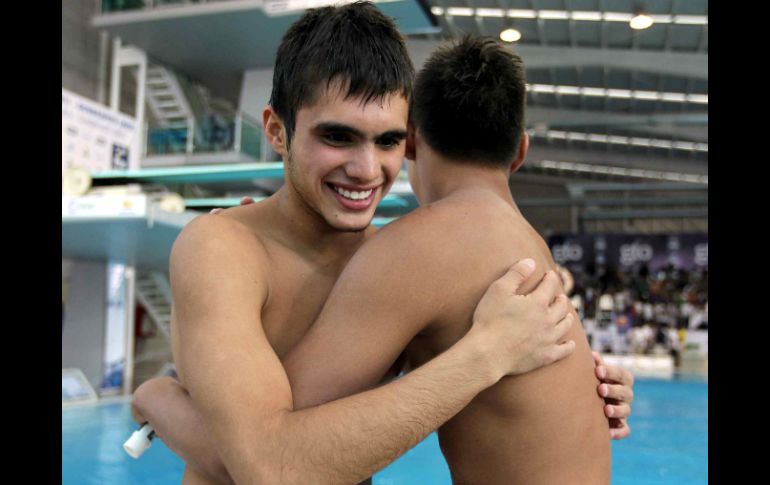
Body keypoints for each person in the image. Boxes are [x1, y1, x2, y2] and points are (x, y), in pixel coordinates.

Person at [133, 4, 633, 483]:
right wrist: (485, 355)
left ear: (411, 141)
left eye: (388, 141)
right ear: (277, 131)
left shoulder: (395, 259)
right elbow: (268, 469)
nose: (368, 171)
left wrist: (583, 391)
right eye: (338, 137)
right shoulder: (224, 248)